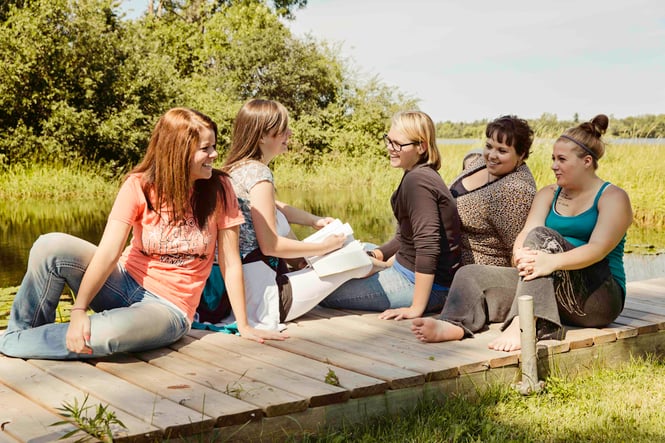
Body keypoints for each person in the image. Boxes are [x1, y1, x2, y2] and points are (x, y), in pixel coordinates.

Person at [0, 108, 285, 360]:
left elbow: (231, 262)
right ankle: (25, 334)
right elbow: (109, 251)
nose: (214, 155)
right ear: (179, 152)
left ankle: (12, 342)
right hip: (123, 281)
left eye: (214, 146)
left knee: (107, 334)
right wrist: (78, 310)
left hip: (167, 307)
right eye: (206, 149)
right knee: (50, 246)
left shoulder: (220, 188)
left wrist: (244, 325)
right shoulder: (138, 185)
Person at [411, 114, 632, 351]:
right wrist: (520, 254)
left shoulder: (613, 198)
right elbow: (525, 233)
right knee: (470, 274)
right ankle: (453, 323)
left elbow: (597, 249)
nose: (553, 166)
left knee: (541, 237)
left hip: (598, 298)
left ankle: (523, 325)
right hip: (554, 292)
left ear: (587, 161)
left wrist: (551, 262)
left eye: (561, 159)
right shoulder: (548, 194)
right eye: (553, 158)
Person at [221, 98, 371, 328]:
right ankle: (390, 270)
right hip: (268, 299)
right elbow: (271, 246)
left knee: (356, 253)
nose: (289, 133)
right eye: (282, 129)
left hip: (246, 292)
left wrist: (314, 220)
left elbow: (275, 205)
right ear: (262, 136)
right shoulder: (259, 174)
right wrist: (324, 247)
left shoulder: (235, 169)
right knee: (356, 261)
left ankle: (379, 260)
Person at [320, 110, 462, 321]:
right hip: (403, 266)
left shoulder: (419, 182)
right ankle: (377, 262)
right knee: (351, 251)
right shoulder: (415, 173)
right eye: (389, 140)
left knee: (325, 294)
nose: (389, 147)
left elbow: (428, 245)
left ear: (421, 146)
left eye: (398, 144)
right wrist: (378, 254)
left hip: (424, 285)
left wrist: (416, 308)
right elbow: (405, 236)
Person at [450, 116, 536, 266]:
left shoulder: (517, 192)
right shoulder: (483, 162)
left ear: (521, 155)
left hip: (472, 273)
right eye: (489, 146)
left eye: (502, 151)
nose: (492, 155)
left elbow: (516, 251)